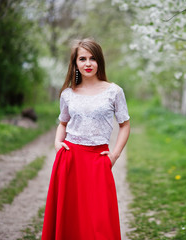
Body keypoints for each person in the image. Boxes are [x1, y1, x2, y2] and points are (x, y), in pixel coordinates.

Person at [41, 38, 130, 240]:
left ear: (99, 61)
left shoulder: (114, 91)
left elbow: (124, 125)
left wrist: (114, 156)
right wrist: (57, 144)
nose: (88, 63)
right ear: (75, 63)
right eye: (82, 59)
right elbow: (63, 123)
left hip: (98, 160)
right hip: (70, 159)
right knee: (70, 217)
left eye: (92, 58)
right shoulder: (68, 94)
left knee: (100, 220)